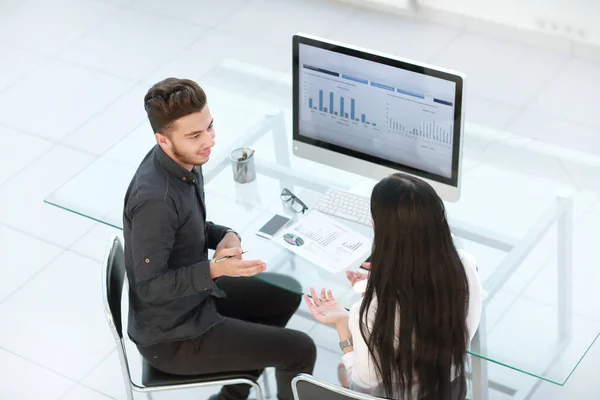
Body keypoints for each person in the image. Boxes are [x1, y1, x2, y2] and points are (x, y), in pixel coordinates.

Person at [122, 77, 317, 400]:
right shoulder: (155, 200)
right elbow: (149, 287)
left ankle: (230, 397)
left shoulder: (184, 159)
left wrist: (226, 234)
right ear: (163, 140)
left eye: (209, 127)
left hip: (194, 297)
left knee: (287, 294)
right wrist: (214, 270)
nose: (209, 141)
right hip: (174, 337)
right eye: (196, 135)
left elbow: (188, 224)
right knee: (300, 349)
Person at [304, 173, 482, 400]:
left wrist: (343, 324)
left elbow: (363, 386)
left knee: (348, 369)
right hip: (451, 388)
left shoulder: (372, 313)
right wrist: (387, 281)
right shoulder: (466, 266)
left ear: (379, 229)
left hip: (399, 395)